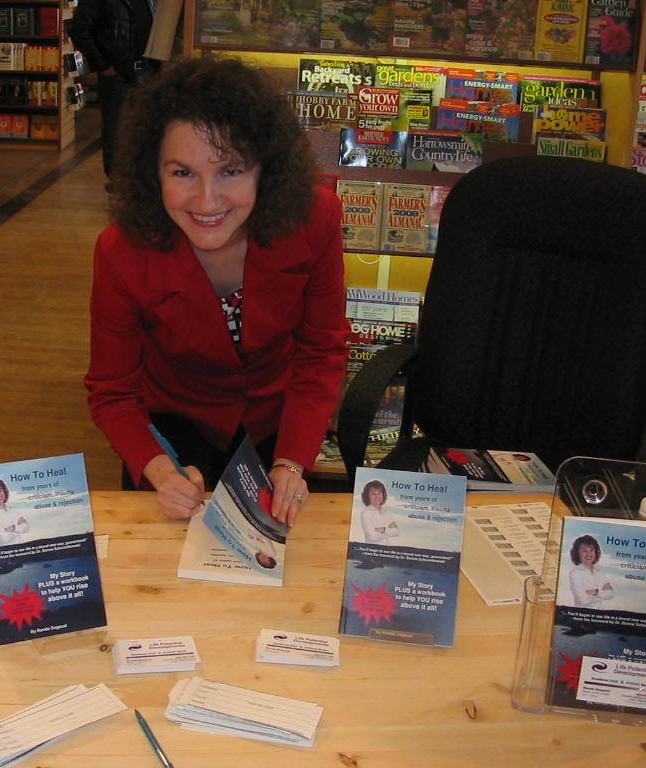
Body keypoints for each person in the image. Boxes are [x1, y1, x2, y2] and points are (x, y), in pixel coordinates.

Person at [83, 57, 349, 526]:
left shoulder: (316, 219)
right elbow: (113, 391)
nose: (207, 202)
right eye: (182, 173)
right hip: (172, 428)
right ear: (153, 174)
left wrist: (292, 460)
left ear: (265, 170)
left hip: (278, 424)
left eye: (231, 171)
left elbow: (321, 350)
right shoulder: (120, 252)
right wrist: (159, 471)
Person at [69, 0, 159, 179]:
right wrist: (104, 67)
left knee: (145, 129)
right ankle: (118, 182)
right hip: (118, 74)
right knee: (116, 130)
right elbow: (79, 31)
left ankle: (139, 181)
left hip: (148, 72)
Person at [568, 534, 614, 609]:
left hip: (600, 614)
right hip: (583, 615)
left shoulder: (599, 572)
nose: (589, 554)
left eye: (591, 550)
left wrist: (595, 592)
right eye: (585, 551)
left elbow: (611, 594)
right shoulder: (575, 573)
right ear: (577, 553)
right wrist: (602, 593)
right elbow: (583, 599)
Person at [0, 477, 30, 546]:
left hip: (22, 547)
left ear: (4, 491)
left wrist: (12, 528)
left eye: (0, 491)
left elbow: (26, 527)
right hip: (7, 551)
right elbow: (3, 539)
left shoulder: (12, 509)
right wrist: (18, 527)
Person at [359, 479, 400, 545]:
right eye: (373, 494)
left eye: (379, 493)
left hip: (387, 548)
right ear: (367, 496)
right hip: (371, 549)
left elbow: (396, 532)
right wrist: (388, 530)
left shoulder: (386, 513)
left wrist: (383, 529)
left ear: (383, 495)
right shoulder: (366, 513)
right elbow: (371, 537)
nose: (377, 496)